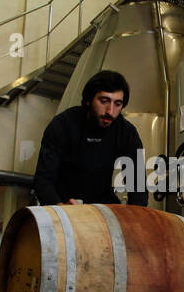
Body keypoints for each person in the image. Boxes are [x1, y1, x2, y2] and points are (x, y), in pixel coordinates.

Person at [33, 70, 149, 207]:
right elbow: (43, 180)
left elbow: (138, 186)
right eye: (104, 101)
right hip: (63, 203)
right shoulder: (62, 125)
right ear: (88, 100)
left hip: (102, 207)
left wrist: (135, 220)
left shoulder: (126, 132)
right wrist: (60, 209)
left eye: (117, 104)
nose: (110, 112)